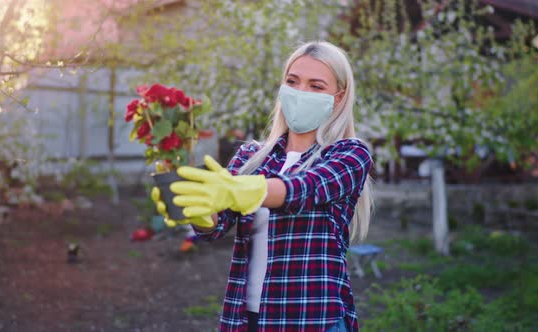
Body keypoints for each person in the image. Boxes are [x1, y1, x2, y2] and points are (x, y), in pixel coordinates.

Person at [152, 40, 373, 332]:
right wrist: (198, 211)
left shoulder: (349, 154)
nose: (300, 92)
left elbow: (304, 188)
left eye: (316, 86)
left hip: (312, 319)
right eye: (293, 82)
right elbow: (218, 226)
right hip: (246, 318)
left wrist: (248, 191)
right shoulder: (251, 157)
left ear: (339, 97)